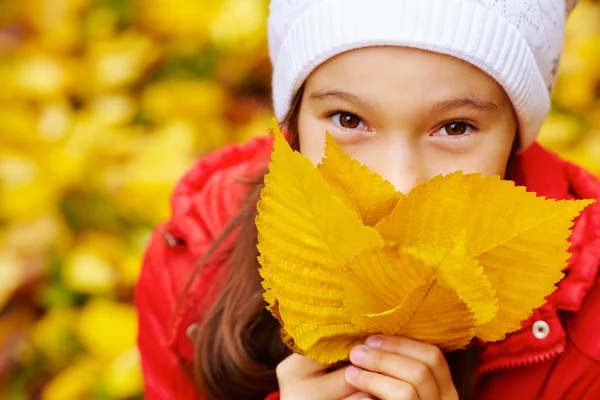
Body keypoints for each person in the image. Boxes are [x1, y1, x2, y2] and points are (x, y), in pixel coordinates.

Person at [135, 0, 600, 399]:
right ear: (294, 122)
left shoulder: (589, 318)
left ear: (515, 135)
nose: (398, 183)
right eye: (348, 119)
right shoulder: (193, 264)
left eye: (455, 127)